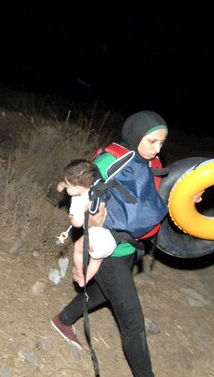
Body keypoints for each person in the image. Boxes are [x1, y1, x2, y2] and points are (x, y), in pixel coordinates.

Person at [51, 110, 172, 377]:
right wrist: (88, 221)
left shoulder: (153, 165)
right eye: (152, 141)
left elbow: (152, 199)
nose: (157, 148)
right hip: (106, 250)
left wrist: (188, 198)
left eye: (162, 142)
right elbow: (77, 186)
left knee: (104, 293)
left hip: (129, 247)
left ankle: (62, 320)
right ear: (136, 134)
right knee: (133, 322)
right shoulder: (109, 161)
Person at [58, 159, 116, 286]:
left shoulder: (79, 201)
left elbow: (78, 223)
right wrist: (64, 185)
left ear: (78, 187)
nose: (65, 186)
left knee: (78, 249)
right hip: (110, 241)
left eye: (67, 185)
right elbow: (74, 186)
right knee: (96, 261)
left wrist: (71, 217)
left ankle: (79, 272)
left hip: (94, 239)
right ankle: (85, 280)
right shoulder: (95, 189)